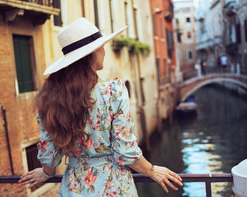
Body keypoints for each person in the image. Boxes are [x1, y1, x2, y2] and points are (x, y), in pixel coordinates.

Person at [18, 18, 183, 196]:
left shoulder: (48, 98)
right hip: (114, 187)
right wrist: (151, 171)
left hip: (74, 189)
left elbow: (49, 155)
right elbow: (125, 150)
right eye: (101, 46)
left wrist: (46, 173)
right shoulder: (114, 91)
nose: (104, 51)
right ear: (92, 53)